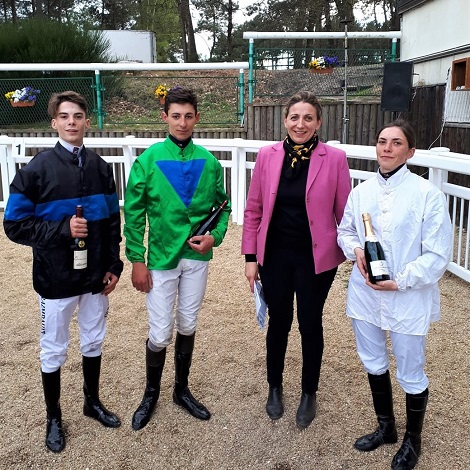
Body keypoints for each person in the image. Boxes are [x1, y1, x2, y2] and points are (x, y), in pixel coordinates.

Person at [3, 91, 124, 453]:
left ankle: (92, 402)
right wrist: (61, 231)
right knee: (53, 349)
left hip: (94, 278)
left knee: (93, 340)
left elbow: (111, 223)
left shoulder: (102, 168)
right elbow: (14, 225)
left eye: (78, 116)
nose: (72, 121)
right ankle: (53, 417)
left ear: (87, 121)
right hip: (55, 279)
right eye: (65, 116)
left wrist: (114, 265)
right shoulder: (36, 170)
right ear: (54, 122)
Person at [337, 119, 452, 469]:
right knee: (373, 360)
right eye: (382, 141)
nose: (387, 147)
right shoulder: (360, 193)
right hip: (366, 293)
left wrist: (400, 281)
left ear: (410, 151)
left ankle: (412, 439)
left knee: (411, 370)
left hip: (407, 296)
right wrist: (355, 249)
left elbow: (437, 255)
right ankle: (386, 427)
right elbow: (345, 231)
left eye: (396, 142)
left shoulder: (426, 194)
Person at [241, 91, 351, 428]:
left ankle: (309, 392)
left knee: (309, 322)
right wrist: (250, 256)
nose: (300, 124)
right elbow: (254, 208)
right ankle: (274, 387)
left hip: (315, 258)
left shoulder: (334, 158)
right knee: (279, 322)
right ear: (285, 120)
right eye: (294, 117)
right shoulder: (267, 155)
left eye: (307, 118)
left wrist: (356, 253)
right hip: (274, 255)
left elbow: (345, 213)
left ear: (319, 122)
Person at [124, 86, 230, 430]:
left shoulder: (210, 162)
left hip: (197, 258)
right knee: (160, 332)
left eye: (188, 116)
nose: (182, 123)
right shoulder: (148, 160)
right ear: (164, 117)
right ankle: (151, 392)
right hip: (160, 259)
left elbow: (223, 206)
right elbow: (134, 213)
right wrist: (136, 259)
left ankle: (180, 389)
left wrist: (215, 236)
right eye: (175, 116)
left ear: (197, 118)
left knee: (188, 324)